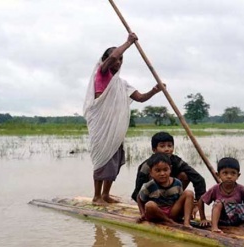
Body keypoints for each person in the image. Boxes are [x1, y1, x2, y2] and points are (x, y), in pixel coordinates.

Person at [83, 33, 163, 206]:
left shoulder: (122, 83)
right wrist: (128, 42)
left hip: (115, 129)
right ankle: (96, 197)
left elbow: (140, 97)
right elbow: (112, 56)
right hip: (101, 127)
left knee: (113, 161)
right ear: (106, 60)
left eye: (121, 60)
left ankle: (105, 195)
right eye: (116, 59)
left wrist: (154, 91)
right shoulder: (101, 74)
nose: (118, 62)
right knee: (101, 159)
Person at [131, 132, 206, 205]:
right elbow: (137, 191)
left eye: (169, 146)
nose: (167, 149)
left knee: (185, 175)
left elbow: (198, 179)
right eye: (162, 146)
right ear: (154, 150)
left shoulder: (177, 161)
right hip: (154, 199)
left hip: (170, 193)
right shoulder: (147, 166)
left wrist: (198, 203)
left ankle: (175, 201)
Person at [198, 157, 244, 233]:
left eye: (233, 173)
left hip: (237, 219)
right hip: (222, 219)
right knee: (218, 203)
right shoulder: (215, 189)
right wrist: (203, 218)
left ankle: (243, 225)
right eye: (225, 173)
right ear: (218, 175)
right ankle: (214, 227)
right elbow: (201, 200)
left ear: (238, 175)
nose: (229, 176)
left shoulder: (242, 189)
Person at [137, 152, 194, 228]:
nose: (162, 173)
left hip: (172, 211)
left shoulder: (177, 183)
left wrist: (192, 208)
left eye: (165, 170)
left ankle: (186, 223)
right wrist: (142, 213)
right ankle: (168, 221)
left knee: (189, 193)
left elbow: (181, 200)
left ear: (170, 169)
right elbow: (139, 198)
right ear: (151, 172)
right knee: (150, 205)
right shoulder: (148, 186)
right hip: (156, 214)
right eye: (158, 171)